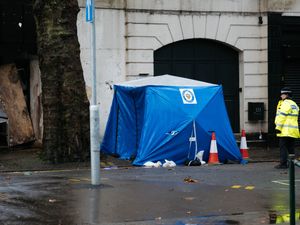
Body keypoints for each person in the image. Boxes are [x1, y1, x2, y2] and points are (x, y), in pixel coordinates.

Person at [274, 87, 300, 169]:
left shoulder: (285, 104)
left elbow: (282, 116)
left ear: (286, 95)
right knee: (291, 147)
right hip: (293, 131)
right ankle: (292, 163)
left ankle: (283, 164)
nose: (281, 96)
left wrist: (278, 127)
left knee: (283, 147)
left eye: (282, 94)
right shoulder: (294, 104)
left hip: (285, 130)